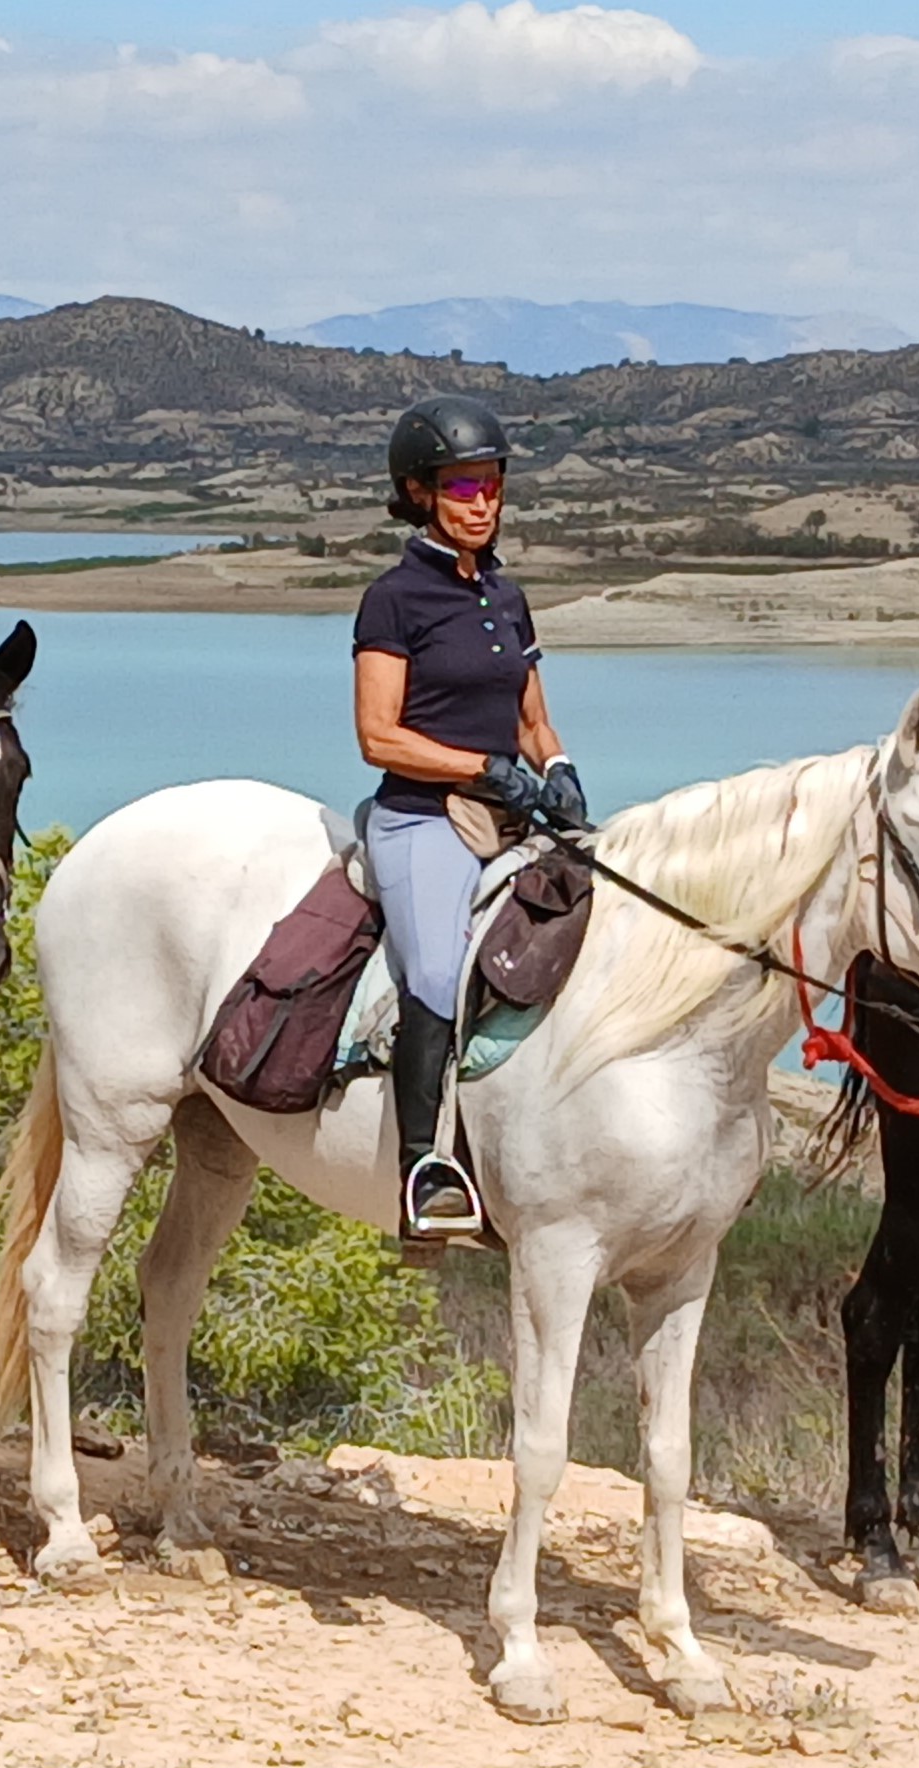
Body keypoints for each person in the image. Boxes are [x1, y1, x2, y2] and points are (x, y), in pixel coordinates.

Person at [352, 394, 587, 1241]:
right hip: (422, 820)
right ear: (419, 493)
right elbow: (379, 736)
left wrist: (554, 769)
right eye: (463, 487)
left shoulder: (506, 596)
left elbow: (531, 719)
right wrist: (482, 769)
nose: (482, 502)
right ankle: (427, 1167)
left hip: (509, 815)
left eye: (491, 485)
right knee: (439, 978)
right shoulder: (394, 599)